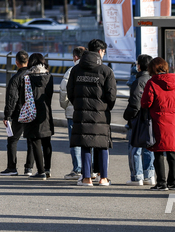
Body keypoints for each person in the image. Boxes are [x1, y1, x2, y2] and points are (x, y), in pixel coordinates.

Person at [68, 39, 117, 186]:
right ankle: (103, 178)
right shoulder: (106, 71)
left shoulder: (76, 70)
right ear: (100, 52)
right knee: (102, 144)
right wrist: (106, 107)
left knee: (85, 144)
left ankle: (87, 178)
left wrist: (79, 104)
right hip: (101, 113)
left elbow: (70, 92)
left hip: (81, 112)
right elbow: (112, 95)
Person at [11, 53, 54, 180]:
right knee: (47, 142)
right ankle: (47, 169)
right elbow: (50, 95)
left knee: (35, 141)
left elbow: (24, 97)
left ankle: (40, 171)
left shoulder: (27, 77)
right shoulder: (49, 77)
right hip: (46, 112)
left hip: (32, 112)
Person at [140, 57, 175, 190]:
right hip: (172, 118)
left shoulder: (152, 82)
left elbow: (146, 102)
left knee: (158, 153)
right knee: (172, 152)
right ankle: (173, 182)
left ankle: (162, 182)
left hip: (157, 119)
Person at [122, 54, 156, 186]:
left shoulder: (138, 81)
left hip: (138, 119)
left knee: (135, 148)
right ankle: (149, 176)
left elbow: (135, 102)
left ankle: (137, 177)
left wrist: (128, 116)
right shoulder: (153, 80)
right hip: (150, 118)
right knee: (149, 147)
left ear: (139, 66)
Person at [1, 51, 35, 176]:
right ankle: (29, 168)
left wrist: (7, 116)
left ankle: (12, 167)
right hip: (31, 112)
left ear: (16, 62)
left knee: (12, 140)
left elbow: (12, 99)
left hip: (19, 113)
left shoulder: (15, 79)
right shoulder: (32, 76)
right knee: (31, 141)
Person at [60, 46, 88, 180]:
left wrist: (66, 106)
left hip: (73, 112)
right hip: (89, 112)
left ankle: (77, 169)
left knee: (75, 140)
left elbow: (64, 93)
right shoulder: (92, 68)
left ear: (75, 57)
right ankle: (89, 168)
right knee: (89, 140)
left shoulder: (71, 71)